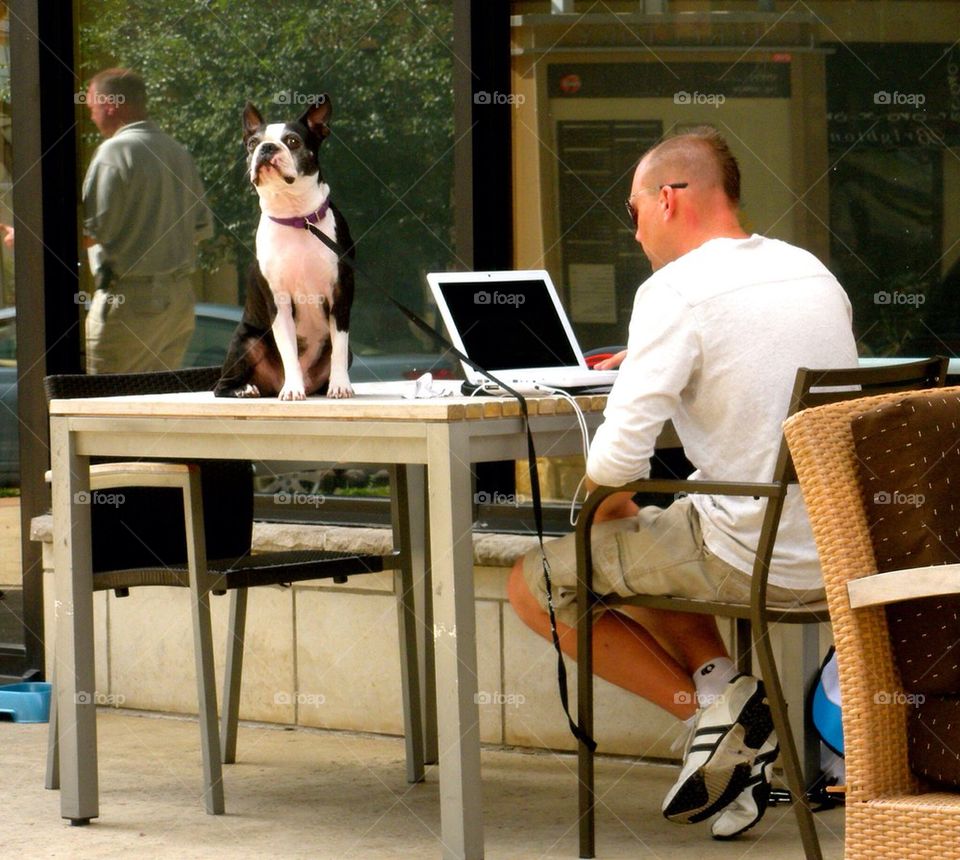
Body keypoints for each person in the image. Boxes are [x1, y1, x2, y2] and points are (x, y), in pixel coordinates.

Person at [508, 127, 858, 839]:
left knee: (540, 577)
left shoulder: (672, 291)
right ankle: (722, 694)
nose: (634, 232)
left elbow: (616, 464)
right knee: (637, 524)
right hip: (837, 546)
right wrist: (648, 359)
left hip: (751, 555)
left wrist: (645, 380)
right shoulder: (810, 271)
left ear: (668, 200)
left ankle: (714, 716)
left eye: (633, 211)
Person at [81, 68, 213, 374]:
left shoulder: (113, 153)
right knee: (155, 396)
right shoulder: (177, 152)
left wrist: (30, 238)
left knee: (102, 399)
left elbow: (90, 233)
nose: (91, 116)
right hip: (178, 302)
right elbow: (200, 229)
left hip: (129, 301)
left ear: (110, 105)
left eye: (91, 107)